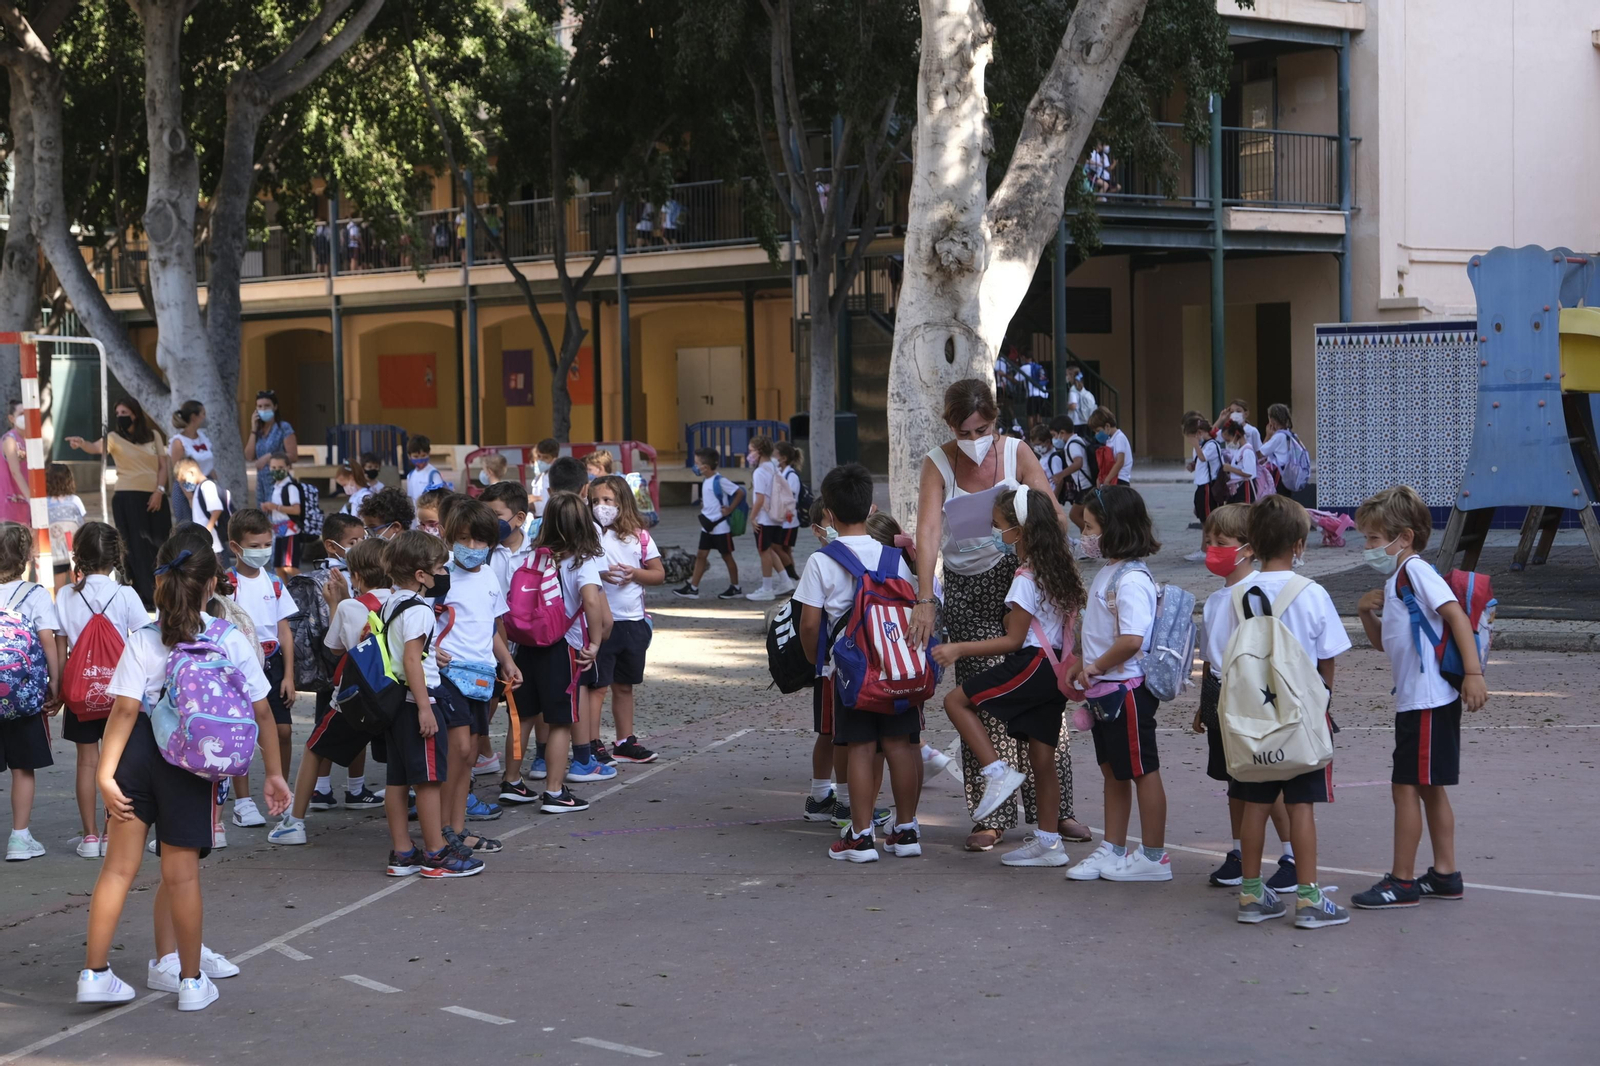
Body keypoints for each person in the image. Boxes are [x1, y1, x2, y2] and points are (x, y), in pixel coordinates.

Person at [76, 539, 286, 1011]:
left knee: (117, 870)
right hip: (191, 765)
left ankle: (95, 973)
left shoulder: (144, 638)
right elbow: (264, 713)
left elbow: (125, 712)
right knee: (182, 876)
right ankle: (189, 981)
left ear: (161, 583)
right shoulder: (229, 639)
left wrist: (104, 776)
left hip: (134, 759)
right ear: (213, 584)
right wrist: (273, 773)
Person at [908, 378, 1089, 851]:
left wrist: (1019, 524)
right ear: (949, 426)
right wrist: (925, 596)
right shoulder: (937, 462)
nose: (975, 440)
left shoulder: (1016, 451)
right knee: (979, 697)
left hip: (1017, 574)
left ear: (995, 420)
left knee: (1040, 695)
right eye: (965, 432)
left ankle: (1057, 812)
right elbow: (927, 533)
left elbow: (1055, 514)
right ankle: (992, 816)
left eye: (982, 428)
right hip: (967, 588)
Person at [1209, 495, 1352, 928]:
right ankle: (1308, 901)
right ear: (1299, 544)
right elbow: (1328, 657)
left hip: (1251, 721)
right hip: (1300, 719)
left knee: (1254, 804)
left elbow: (1219, 661)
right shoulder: (1312, 593)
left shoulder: (1234, 597)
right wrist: (1321, 698)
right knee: (1301, 806)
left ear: (1252, 542)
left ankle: (1251, 895)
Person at [935, 487, 1086, 868]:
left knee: (956, 701)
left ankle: (996, 771)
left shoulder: (1025, 575)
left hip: (1032, 664)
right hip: (1054, 671)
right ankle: (1049, 843)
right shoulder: (1058, 567)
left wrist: (959, 648)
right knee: (1042, 758)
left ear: (1020, 531)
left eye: (999, 527)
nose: (995, 535)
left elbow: (1013, 639)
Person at [1352, 485, 1486, 910]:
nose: (1369, 547)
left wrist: (1474, 673)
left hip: (1426, 701)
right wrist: (1364, 613)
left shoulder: (1416, 572)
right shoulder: (1397, 579)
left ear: (1403, 537)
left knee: (1405, 788)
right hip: (1418, 700)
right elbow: (1383, 645)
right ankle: (1445, 874)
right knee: (1427, 789)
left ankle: (1403, 881)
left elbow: (1456, 616)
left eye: (1374, 538)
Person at [796, 464, 923, 863]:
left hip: (853, 674)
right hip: (897, 668)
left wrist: (819, 662)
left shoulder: (822, 560)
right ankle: (906, 830)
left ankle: (861, 835)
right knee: (901, 745)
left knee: (861, 748)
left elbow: (810, 624)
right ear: (871, 508)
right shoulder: (894, 556)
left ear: (828, 513)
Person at [1061, 486, 1171, 883]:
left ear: (1114, 527)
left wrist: (1095, 667)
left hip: (1126, 692)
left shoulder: (1132, 579)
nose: (1085, 535)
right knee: (1113, 772)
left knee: (1143, 770)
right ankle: (1114, 847)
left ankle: (1155, 857)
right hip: (1106, 691)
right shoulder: (1110, 571)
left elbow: (1131, 639)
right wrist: (1081, 663)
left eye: (1090, 527)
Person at [1192, 504, 1298, 891]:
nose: (1212, 549)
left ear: (1249, 549)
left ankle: (1291, 855)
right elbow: (1212, 657)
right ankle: (1238, 852)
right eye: (1208, 542)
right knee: (1233, 782)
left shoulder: (1253, 594)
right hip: (1220, 699)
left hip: (1250, 700)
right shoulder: (1219, 598)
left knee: (1266, 783)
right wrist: (1204, 704)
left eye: (1222, 542)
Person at [269, 535, 392, 848]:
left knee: (315, 748)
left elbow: (334, 648)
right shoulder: (401, 600)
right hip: (396, 697)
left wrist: (337, 603)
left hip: (355, 700)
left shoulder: (351, 606)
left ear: (357, 577)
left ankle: (294, 822)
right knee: (400, 756)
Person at [377, 530, 482, 877]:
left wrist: (428, 655)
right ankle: (436, 851)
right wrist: (425, 707)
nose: (442, 574)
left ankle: (403, 851)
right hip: (417, 702)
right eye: (438, 567)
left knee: (397, 780)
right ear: (421, 575)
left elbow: (401, 651)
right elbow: (410, 660)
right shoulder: (420, 609)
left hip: (395, 706)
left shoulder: (392, 601)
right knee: (428, 781)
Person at [56, 523, 156, 860]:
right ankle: (115, 833)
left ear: (79, 555)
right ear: (117, 557)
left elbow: (61, 646)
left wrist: (59, 689)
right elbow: (144, 639)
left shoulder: (65, 596)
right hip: (122, 693)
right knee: (121, 765)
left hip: (81, 691)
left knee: (87, 763)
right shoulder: (126, 595)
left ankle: (89, 836)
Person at [509, 493, 611, 814]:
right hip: (562, 648)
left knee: (523, 718)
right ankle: (554, 791)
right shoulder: (582, 561)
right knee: (560, 723)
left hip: (526, 645)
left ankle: (511, 781)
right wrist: (594, 644)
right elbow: (592, 602)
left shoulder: (533, 558)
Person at [436, 497, 520, 856]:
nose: (472, 548)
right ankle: (440, 831)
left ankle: (457, 828)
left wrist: (507, 662)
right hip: (448, 676)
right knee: (459, 751)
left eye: (480, 540)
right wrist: (429, 651)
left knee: (469, 759)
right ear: (449, 537)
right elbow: (416, 623)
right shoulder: (439, 576)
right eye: (464, 539)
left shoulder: (488, 575)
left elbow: (490, 628)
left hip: (482, 677)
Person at [581, 475, 664, 768]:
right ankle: (590, 743)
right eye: (595, 501)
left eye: (607, 501)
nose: (601, 507)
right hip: (602, 622)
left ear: (622, 503)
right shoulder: (589, 534)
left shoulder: (638, 535)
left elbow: (658, 573)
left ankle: (624, 741)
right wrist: (600, 573)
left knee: (625, 685)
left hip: (633, 622)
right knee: (598, 686)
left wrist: (635, 573)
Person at [224, 508, 298, 832]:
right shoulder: (228, 583)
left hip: (273, 662)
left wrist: (290, 675)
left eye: (267, 543)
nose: (263, 551)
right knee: (241, 732)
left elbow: (284, 630)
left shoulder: (276, 582)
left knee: (282, 730)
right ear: (236, 547)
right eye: (255, 545)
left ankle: (280, 786)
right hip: (240, 663)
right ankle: (242, 801)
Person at [68, 397, 172, 610]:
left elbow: (163, 466)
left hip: (154, 496)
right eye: (118, 414)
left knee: (159, 544)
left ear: (135, 414)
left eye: (125, 413)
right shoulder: (114, 437)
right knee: (135, 546)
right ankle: (145, 593)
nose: (121, 417)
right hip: (127, 497)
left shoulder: (153, 436)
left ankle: (164, 590)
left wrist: (159, 491)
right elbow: (96, 447)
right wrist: (82, 444)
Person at [0, 523, 62, 862]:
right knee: (23, 768)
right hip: (24, 695)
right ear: (25, 557)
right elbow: (48, 641)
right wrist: (55, 682)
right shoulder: (35, 594)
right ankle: (19, 838)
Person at [673, 447, 743, 600]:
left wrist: (730, 509)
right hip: (707, 526)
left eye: (697, 463)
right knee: (701, 555)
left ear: (705, 466)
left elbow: (739, 492)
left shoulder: (720, 481)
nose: (695, 466)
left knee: (727, 556)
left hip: (720, 526)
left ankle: (735, 587)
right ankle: (693, 587)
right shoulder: (706, 480)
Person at [746, 436, 792, 601]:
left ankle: (767, 588)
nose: (749, 454)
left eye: (751, 450)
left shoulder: (760, 472)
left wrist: (752, 517)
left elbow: (759, 498)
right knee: (770, 549)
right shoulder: (774, 466)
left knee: (764, 551)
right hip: (777, 516)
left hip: (764, 517)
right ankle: (786, 581)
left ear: (758, 451)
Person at [243, 390, 297, 507]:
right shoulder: (258, 430)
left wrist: (270, 457)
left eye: (267, 406)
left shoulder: (283, 428)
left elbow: (293, 456)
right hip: (261, 483)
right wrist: (253, 429)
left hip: (278, 480)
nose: (263, 409)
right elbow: (248, 456)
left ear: (275, 407)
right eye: (260, 406)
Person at [1184, 414, 1226, 560]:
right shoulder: (1204, 445)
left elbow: (1203, 457)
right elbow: (1200, 460)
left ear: (1199, 433)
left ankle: (1206, 549)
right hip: (1201, 484)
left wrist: (1195, 443)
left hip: (1209, 485)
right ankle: (1207, 548)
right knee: (1203, 517)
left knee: (1208, 519)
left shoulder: (1212, 445)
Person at [262, 452, 308, 574]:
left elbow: (296, 510)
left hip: (290, 531)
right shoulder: (276, 487)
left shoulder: (290, 487)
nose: (277, 470)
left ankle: (307, 588)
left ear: (288, 467)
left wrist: (276, 507)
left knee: (290, 566)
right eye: (274, 468)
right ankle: (286, 591)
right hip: (279, 531)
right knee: (278, 567)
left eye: (281, 468)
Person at [173, 458, 229, 556]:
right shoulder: (199, 488)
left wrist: (207, 530)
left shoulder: (207, 486)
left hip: (214, 543)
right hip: (207, 542)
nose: (184, 484)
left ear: (191, 472)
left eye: (183, 479)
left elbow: (217, 509)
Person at [46, 462, 86, 589]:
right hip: (75, 549)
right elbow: (82, 523)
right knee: (79, 584)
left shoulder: (43, 502)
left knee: (58, 588)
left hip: (54, 552)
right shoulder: (75, 500)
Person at [168, 400, 215, 481]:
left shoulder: (203, 438)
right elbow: (179, 475)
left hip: (207, 484)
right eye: (203, 414)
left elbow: (209, 467)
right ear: (193, 417)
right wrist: (191, 493)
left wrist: (216, 485)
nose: (204, 417)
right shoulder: (179, 442)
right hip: (189, 486)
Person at [1260, 404, 1301, 496]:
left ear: (1272, 420)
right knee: (1285, 498)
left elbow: (1262, 451)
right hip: (1288, 472)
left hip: (1278, 473)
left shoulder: (1278, 437)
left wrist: (1268, 435)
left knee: (1277, 499)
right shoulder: (1291, 435)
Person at [1086, 406, 1132, 486]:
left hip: (1120, 479)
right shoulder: (1109, 440)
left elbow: (1120, 461)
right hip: (1112, 478)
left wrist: (1108, 479)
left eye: (1098, 431)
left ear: (1107, 426)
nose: (1096, 434)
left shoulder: (1119, 438)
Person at [0, 399, 28, 526]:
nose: (26, 417)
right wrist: (31, 499)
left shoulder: (31, 439)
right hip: (11, 502)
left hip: (25, 502)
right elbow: (15, 472)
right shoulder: (10, 440)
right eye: (21, 414)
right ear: (12, 418)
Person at [1219, 417, 1258, 505]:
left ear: (1237, 434)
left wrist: (1230, 468)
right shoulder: (1239, 450)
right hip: (1238, 487)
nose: (1228, 443)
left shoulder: (1247, 451)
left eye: (1228, 440)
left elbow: (1248, 473)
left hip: (1245, 487)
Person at [406, 436, 446, 503]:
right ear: (409, 456)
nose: (420, 459)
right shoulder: (410, 476)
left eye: (423, 455)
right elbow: (410, 498)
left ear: (428, 453)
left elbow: (439, 498)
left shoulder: (433, 474)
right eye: (416, 456)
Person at [528, 438, 560, 519]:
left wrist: (537, 498)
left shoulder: (556, 476)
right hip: (539, 517)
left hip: (551, 517)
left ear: (554, 458)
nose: (541, 460)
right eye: (539, 456)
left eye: (545, 457)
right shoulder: (539, 476)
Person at [1018, 355, 1050, 427]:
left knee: (1030, 415)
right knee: (1039, 414)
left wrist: (1004, 375)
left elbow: (1016, 380)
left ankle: (1032, 433)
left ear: (1024, 357)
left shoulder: (1024, 368)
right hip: (1043, 394)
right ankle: (1040, 431)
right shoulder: (1039, 366)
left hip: (1032, 394)